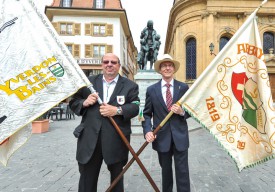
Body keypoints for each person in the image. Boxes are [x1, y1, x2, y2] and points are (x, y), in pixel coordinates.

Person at [69, 53, 140, 192]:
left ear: (119, 66)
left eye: (113, 62)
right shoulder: (88, 83)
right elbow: (73, 102)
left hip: (116, 140)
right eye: (106, 61)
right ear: (102, 64)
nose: (109, 64)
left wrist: (117, 110)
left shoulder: (130, 85)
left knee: (117, 181)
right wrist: (84, 102)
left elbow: (135, 107)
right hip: (90, 140)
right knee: (86, 181)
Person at [142, 54, 190, 192]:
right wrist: (148, 131)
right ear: (160, 69)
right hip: (162, 138)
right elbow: (146, 114)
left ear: (174, 68)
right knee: (166, 172)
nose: (167, 68)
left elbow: (191, 111)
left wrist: (182, 112)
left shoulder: (183, 87)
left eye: (170, 65)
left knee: (183, 172)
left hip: (180, 137)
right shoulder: (152, 90)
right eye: (164, 65)